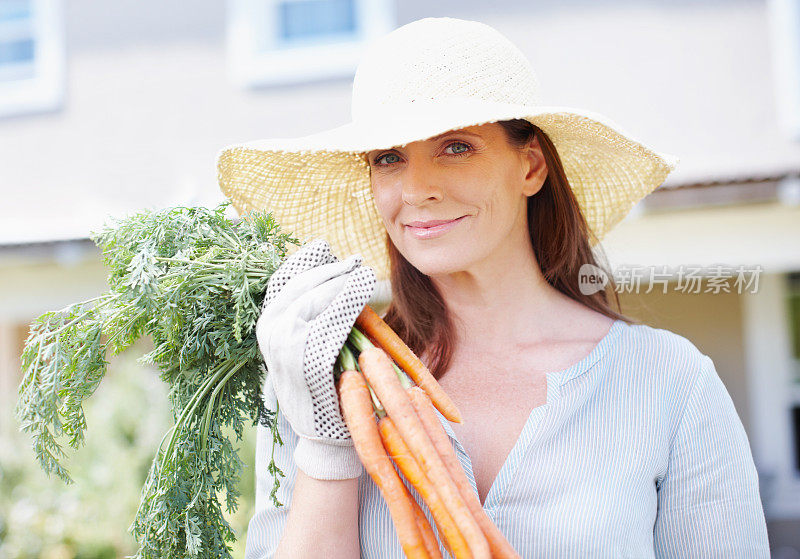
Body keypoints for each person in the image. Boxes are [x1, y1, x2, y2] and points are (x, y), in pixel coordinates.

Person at [217, 16, 770, 559]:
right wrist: (327, 448)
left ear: (530, 167)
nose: (416, 189)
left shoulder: (669, 384)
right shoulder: (326, 382)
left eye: (456, 146)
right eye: (389, 158)